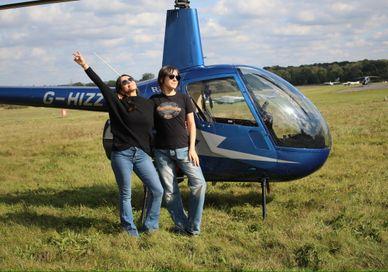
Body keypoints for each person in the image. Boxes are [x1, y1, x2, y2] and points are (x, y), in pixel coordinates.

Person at [73, 51, 163, 237]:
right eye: (123, 82)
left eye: (130, 79)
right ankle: (129, 230)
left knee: (158, 190)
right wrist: (85, 65)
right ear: (121, 90)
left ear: (135, 82)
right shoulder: (117, 103)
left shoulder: (149, 104)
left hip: (142, 154)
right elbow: (101, 85)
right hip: (122, 153)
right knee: (126, 193)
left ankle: (151, 226)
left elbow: (162, 121)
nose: (128, 81)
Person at [151, 65, 206, 235]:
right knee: (170, 192)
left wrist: (192, 149)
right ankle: (181, 225)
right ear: (162, 79)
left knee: (199, 184)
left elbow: (191, 124)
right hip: (161, 153)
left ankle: (193, 227)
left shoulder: (184, 98)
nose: (175, 79)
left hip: (184, 150)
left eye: (177, 77)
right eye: (171, 77)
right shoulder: (153, 100)